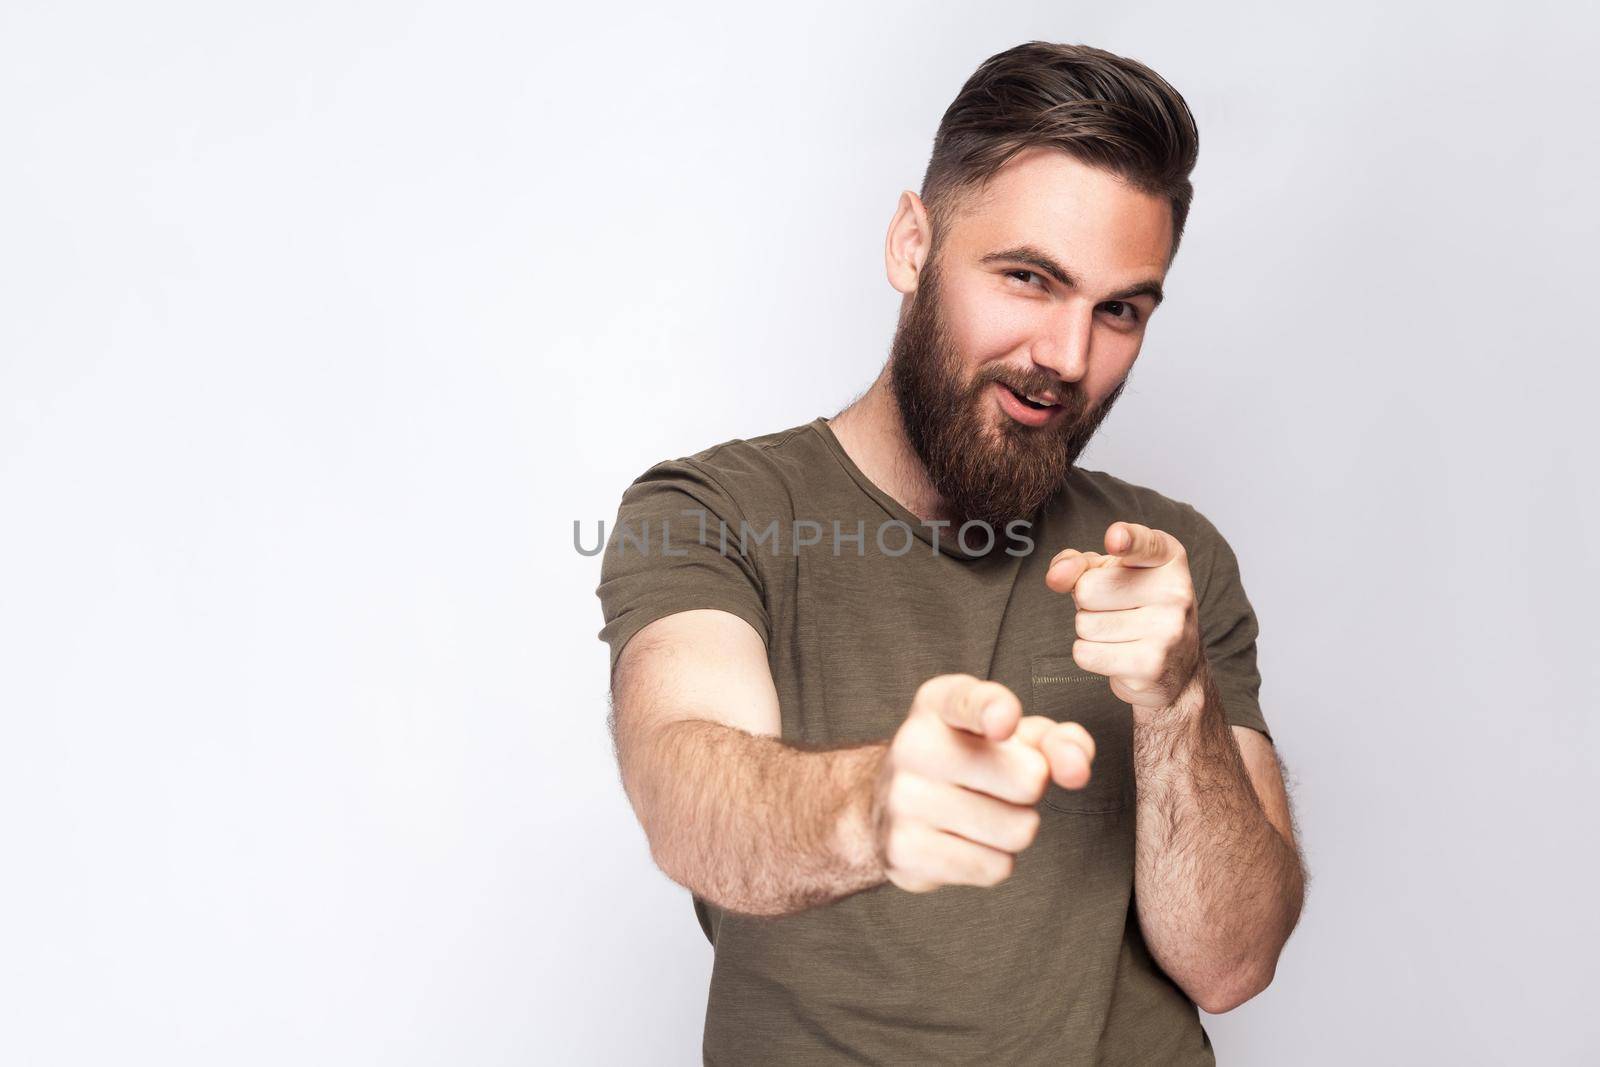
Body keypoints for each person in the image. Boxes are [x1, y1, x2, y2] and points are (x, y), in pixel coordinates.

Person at [593, 40, 1307, 1065]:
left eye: (1119, 310)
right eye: (1027, 277)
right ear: (911, 245)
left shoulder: (1172, 560)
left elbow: (1232, 963)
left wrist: (1177, 699)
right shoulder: (712, 509)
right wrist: (869, 807)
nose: (1066, 356)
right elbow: (683, 790)